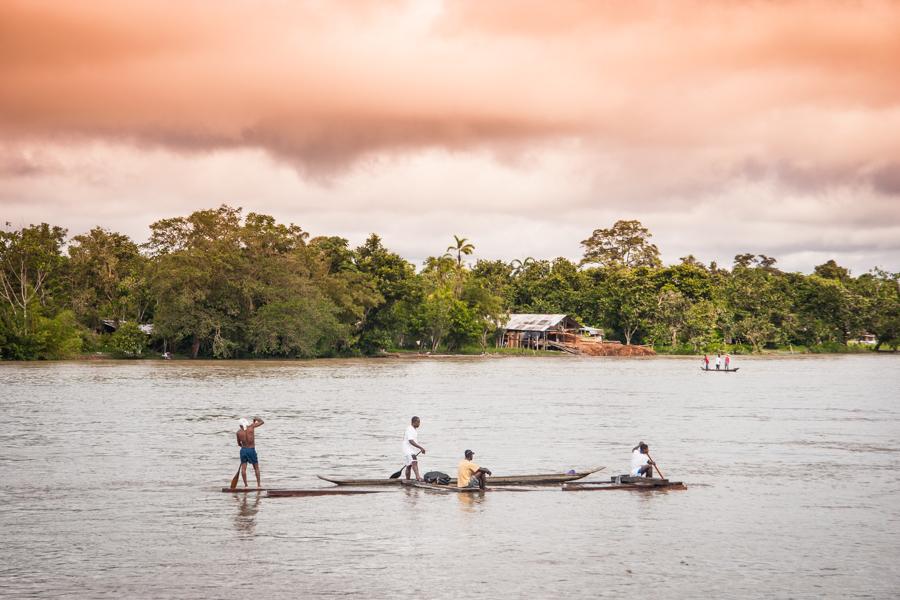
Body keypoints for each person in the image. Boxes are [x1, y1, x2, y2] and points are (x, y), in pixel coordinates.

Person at [237, 417, 264, 487]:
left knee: (243, 469)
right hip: (251, 450)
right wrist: (256, 418)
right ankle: (259, 485)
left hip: (243, 450)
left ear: (240, 425)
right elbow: (262, 422)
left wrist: (244, 447)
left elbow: (239, 444)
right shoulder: (251, 427)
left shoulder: (238, 432)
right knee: (256, 468)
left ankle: (246, 485)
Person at [403, 416, 426, 481]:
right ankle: (418, 477)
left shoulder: (412, 429)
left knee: (408, 466)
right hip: (409, 450)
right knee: (414, 462)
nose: (419, 424)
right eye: (418, 422)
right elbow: (411, 441)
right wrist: (421, 448)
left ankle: (407, 480)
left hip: (408, 450)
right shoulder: (410, 429)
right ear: (414, 422)